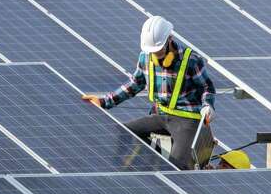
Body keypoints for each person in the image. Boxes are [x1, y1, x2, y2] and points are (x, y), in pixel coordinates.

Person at [82, 16, 215, 170]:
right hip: (159, 115)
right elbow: (136, 83)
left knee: (176, 168)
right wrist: (105, 102)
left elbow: (207, 87)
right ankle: (119, 172)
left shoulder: (191, 60)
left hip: (186, 121)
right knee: (123, 132)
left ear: (170, 39)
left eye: (158, 50)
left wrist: (208, 105)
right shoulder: (145, 57)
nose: (155, 55)